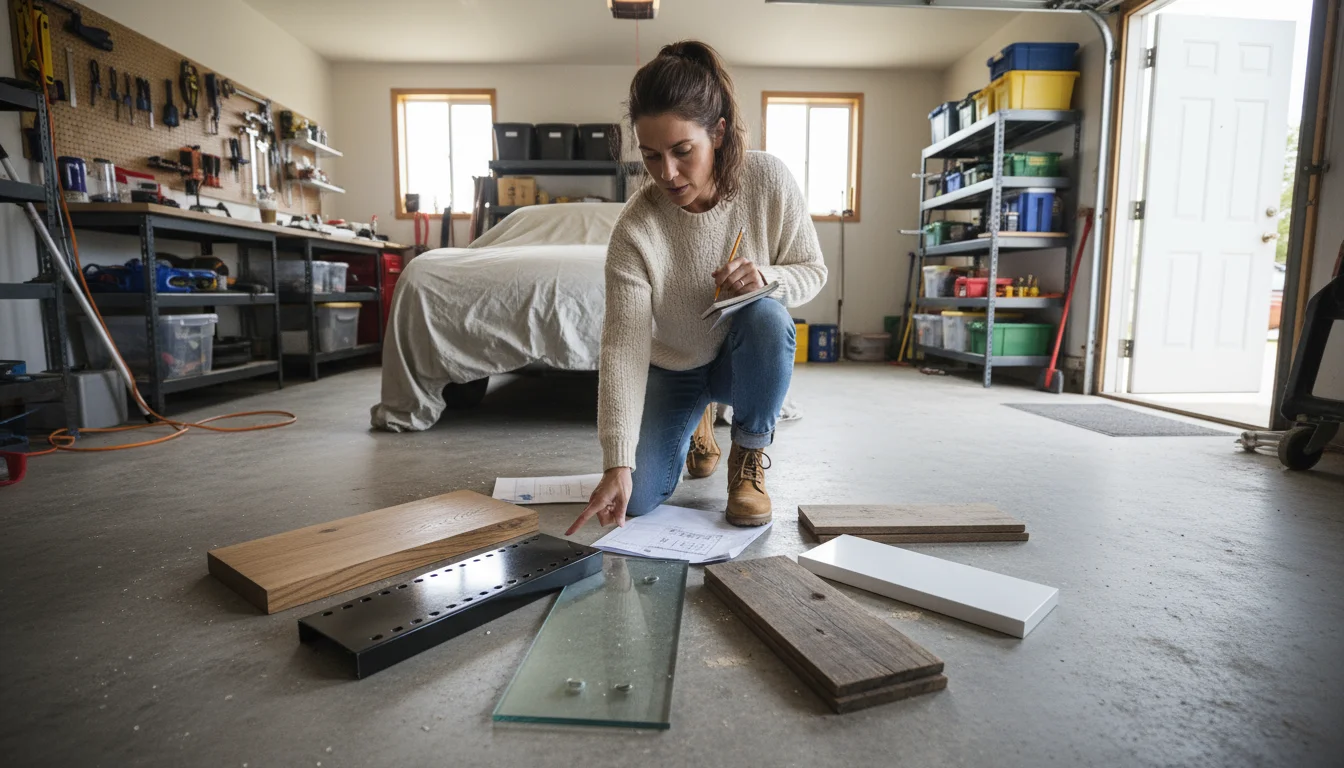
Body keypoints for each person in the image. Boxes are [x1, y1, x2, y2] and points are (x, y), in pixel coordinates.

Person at [566, 40, 827, 536]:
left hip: (741, 358)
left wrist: (769, 277)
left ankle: (748, 455)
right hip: (676, 366)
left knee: (768, 317)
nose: (667, 173)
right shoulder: (636, 228)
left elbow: (812, 270)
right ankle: (698, 422)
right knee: (636, 502)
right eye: (650, 156)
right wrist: (616, 462)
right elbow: (623, 346)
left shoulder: (767, 178)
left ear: (719, 133)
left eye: (683, 151)